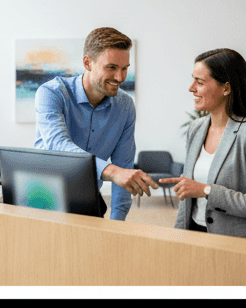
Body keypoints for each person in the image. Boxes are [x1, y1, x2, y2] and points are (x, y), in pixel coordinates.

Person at [34, 27, 159, 220]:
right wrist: (112, 171)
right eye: (111, 67)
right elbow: (58, 145)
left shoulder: (125, 106)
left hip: (87, 199)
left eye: (125, 68)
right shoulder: (52, 93)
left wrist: (118, 221)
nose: (120, 77)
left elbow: (123, 164)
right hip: (41, 198)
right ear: (88, 63)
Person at [159, 48, 246, 242]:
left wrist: (206, 190)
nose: (191, 88)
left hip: (239, 245)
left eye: (199, 82)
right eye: (193, 80)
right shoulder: (196, 128)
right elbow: (189, 196)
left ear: (226, 88)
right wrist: (178, 237)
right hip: (196, 233)